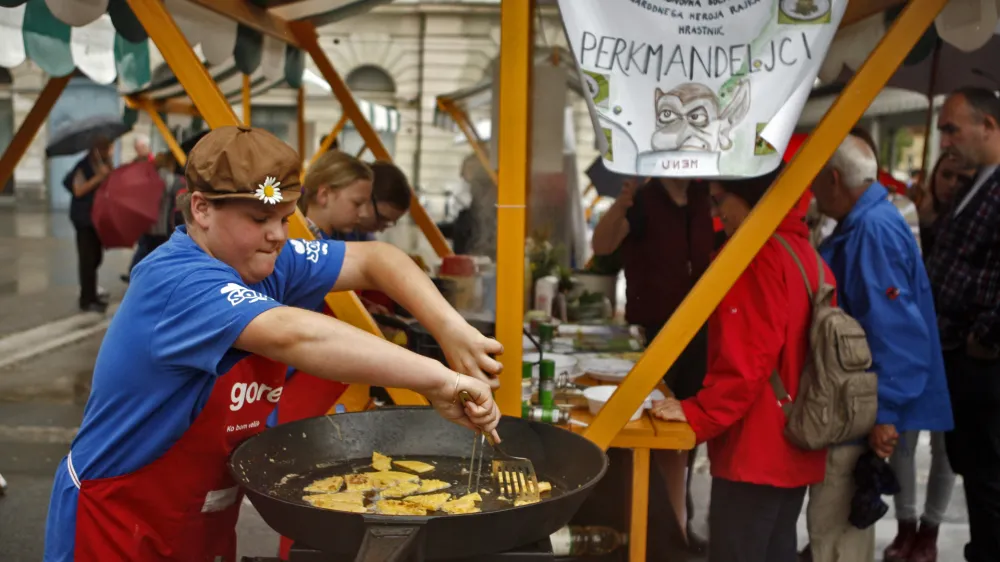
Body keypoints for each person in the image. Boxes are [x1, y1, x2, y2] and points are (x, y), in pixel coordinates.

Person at [43, 126, 502, 562]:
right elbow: (294, 334)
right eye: (261, 218)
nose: (279, 235)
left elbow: (378, 260)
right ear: (201, 209)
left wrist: (453, 331)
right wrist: (440, 380)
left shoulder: (264, 258)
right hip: (118, 522)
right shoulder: (178, 281)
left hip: (199, 519)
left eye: (285, 218)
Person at [652, 163, 830, 562]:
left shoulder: (754, 256)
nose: (716, 214)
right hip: (798, 435)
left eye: (719, 201)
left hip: (758, 445)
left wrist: (697, 412)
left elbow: (745, 363)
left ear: (752, 195)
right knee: (776, 548)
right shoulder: (802, 251)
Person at [804, 133, 953, 562]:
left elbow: (895, 332)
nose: (811, 188)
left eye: (815, 178)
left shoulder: (872, 230)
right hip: (858, 401)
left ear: (834, 178)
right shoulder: (872, 221)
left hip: (860, 406)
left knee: (837, 536)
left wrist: (884, 413)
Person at [592, 175, 715, 552]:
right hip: (653, 332)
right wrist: (620, 205)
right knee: (655, 428)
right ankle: (665, 530)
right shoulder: (643, 198)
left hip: (700, 331)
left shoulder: (703, 194)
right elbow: (602, 245)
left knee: (686, 432)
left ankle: (678, 521)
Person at [925, 87, 1000, 562]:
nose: (945, 140)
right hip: (961, 356)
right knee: (974, 474)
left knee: (989, 480)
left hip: (983, 363)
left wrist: (985, 338)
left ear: (988, 125)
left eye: (952, 128)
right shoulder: (978, 181)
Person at [64, 137, 113, 313]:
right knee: (87, 259)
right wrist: (98, 178)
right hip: (83, 218)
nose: (109, 151)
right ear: (95, 149)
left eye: (109, 148)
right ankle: (87, 299)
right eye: (105, 148)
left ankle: (92, 293)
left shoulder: (105, 164)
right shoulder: (82, 166)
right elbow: (78, 190)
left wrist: (107, 174)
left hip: (96, 218)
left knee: (96, 257)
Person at [123, 152, 186, 281]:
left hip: (149, 223)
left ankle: (137, 274)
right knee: (159, 254)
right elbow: (178, 196)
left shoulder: (151, 177)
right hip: (163, 225)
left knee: (147, 251)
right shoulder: (172, 179)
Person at [917, 154, 975, 255]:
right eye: (946, 175)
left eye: (962, 179)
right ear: (934, 175)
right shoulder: (918, 206)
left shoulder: (971, 222)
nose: (952, 184)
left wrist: (931, 223)